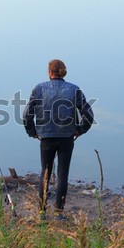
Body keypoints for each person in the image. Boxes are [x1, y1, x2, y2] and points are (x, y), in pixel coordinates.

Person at [23, 59, 94, 220]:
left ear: (50, 72)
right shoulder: (74, 90)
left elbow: (27, 115)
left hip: (46, 137)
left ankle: (41, 211)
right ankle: (59, 212)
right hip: (66, 138)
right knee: (63, 174)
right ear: (63, 72)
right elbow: (89, 115)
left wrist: (32, 132)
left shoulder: (39, 89)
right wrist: (80, 130)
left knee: (45, 173)